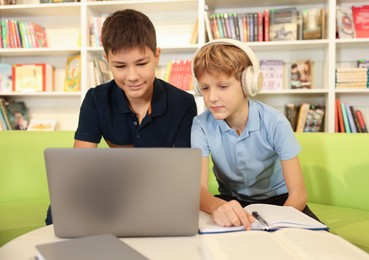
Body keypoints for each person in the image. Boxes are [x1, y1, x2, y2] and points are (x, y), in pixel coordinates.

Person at [45, 9, 197, 225]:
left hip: (159, 190)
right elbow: (78, 168)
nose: (132, 76)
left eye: (141, 64)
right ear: (107, 60)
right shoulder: (96, 100)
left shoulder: (183, 103)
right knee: (58, 211)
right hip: (113, 189)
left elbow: (184, 174)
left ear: (157, 56)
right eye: (120, 66)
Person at [190, 38, 319, 231]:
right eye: (205, 88)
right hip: (231, 201)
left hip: (281, 201)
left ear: (248, 84)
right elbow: (198, 190)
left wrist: (275, 223)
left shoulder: (275, 122)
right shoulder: (201, 125)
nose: (211, 98)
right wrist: (218, 206)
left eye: (223, 86)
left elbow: (298, 194)